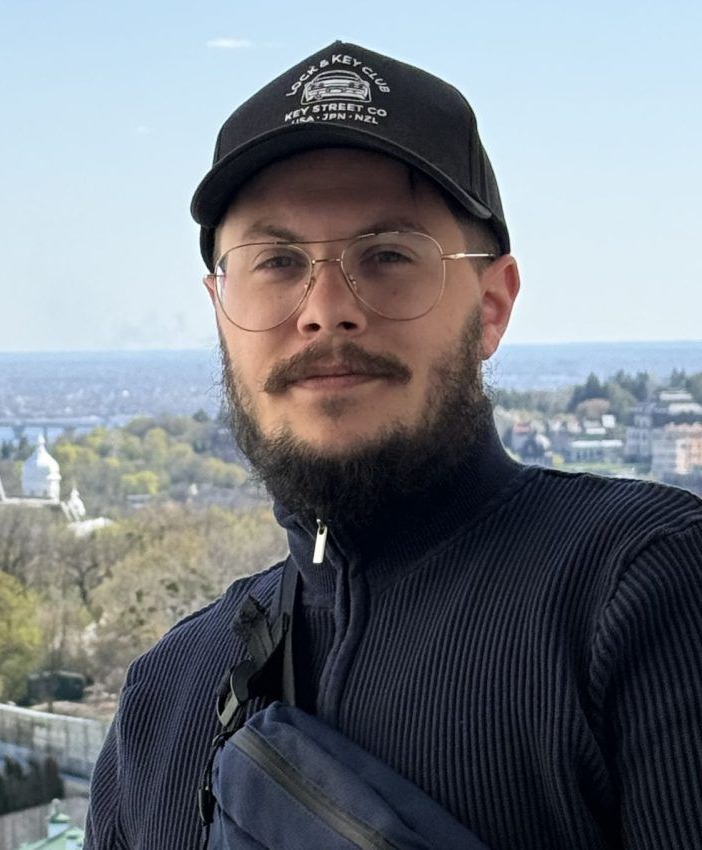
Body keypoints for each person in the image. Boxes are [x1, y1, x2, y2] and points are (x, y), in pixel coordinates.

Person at [85, 41, 702, 849]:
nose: (326, 309)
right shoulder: (166, 698)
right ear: (219, 310)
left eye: (387, 256)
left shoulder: (645, 595)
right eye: (276, 262)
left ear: (490, 306)